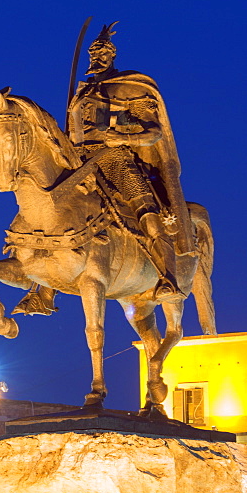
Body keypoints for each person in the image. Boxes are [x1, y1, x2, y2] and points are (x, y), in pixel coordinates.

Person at [66, 22, 193, 301]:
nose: (96, 59)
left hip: (114, 158)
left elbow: (153, 131)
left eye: (103, 53)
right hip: (79, 160)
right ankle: (41, 288)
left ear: (112, 56)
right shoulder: (81, 93)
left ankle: (167, 278)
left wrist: (121, 137)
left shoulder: (129, 87)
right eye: (93, 53)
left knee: (145, 209)